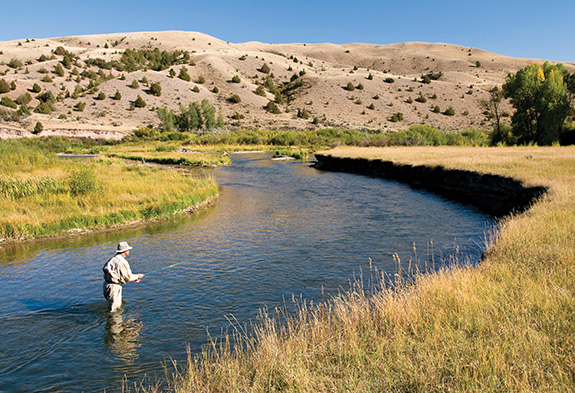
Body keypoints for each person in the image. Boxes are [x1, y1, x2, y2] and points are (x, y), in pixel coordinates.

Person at [102, 242, 144, 312]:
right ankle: (116, 322)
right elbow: (128, 277)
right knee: (114, 311)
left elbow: (118, 275)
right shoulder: (122, 261)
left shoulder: (113, 259)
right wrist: (138, 276)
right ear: (124, 251)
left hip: (106, 285)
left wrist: (133, 279)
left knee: (111, 307)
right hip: (114, 287)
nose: (129, 251)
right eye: (128, 250)